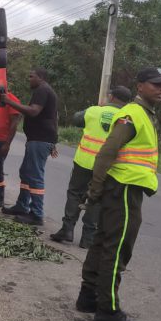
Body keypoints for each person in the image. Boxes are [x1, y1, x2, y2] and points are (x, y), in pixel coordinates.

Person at [76, 67, 161, 321]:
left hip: (122, 187)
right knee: (117, 249)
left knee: (103, 242)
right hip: (124, 189)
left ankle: (88, 297)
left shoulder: (142, 114)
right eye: (156, 84)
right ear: (140, 86)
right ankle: (108, 310)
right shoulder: (132, 114)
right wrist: (94, 190)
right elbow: (107, 152)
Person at [50, 86, 132, 248]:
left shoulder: (94, 111)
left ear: (111, 96)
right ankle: (88, 238)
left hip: (84, 162)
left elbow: (76, 119)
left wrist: (98, 108)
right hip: (107, 168)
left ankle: (67, 230)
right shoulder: (127, 118)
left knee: (75, 194)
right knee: (97, 198)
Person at [0, 68, 58, 226]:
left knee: (35, 176)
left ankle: (36, 214)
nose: (29, 79)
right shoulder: (44, 90)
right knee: (26, 172)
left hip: (40, 139)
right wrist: (54, 141)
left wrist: (9, 102)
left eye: (31, 76)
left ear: (41, 77)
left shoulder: (42, 90)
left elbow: (33, 112)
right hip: (38, 139)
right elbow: (54, 117)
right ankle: (22, 206)